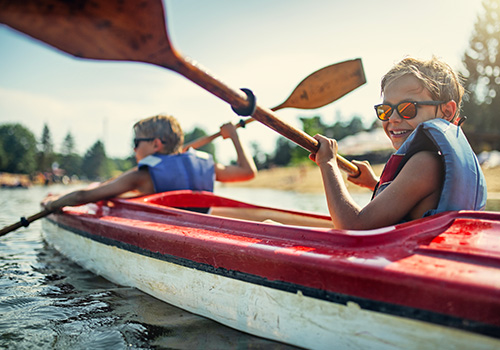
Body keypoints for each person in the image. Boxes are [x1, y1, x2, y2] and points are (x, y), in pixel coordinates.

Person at [310, 56, 487, 230]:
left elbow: (353, 226)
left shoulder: (425, 163)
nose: (393, 119)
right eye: (385, 110)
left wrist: (328, 163)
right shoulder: (432, 163)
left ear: (446, 111)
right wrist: (375, 183)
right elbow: (414, 199)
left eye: (408, 108)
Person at [42, 114, 257, 211]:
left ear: (155, 145)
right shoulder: (205, 166)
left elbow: (84, 196)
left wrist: (53, 203)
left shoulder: (140, 176)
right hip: (202, 230)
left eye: (136, 142)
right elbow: (248, 172)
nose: (133, 148)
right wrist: (234, 137)